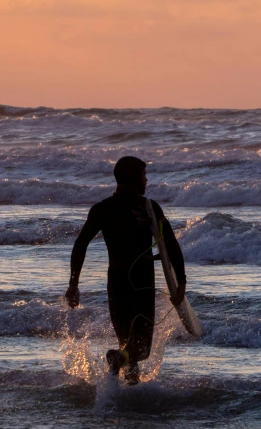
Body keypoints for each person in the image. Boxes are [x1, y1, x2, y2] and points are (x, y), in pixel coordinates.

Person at [65, 156, 185, 385]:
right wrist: (182, 282)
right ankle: (118, 360)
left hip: (116, 284)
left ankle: (130, 390)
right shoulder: (147, 208)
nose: (146, 180)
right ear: (133, 179)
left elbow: (80, 244)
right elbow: (171, 244)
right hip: (141, 285)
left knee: (127, 342)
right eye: (143, 176)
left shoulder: (102, 209)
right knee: (141, 349)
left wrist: (73, 284)